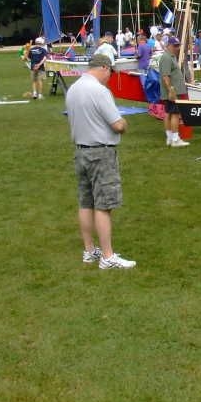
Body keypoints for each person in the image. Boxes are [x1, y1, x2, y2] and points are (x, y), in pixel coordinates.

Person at [65, 53, 135, 270]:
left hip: (81, 151)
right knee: (104, 205)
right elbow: (117, 124)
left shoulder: (74, 88)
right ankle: (107, 256)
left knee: (86, 202)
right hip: (101, 152)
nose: (110, 77)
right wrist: (124, 123)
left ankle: (89, 250)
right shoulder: (99, 90)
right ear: (104, 67)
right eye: (110, 72)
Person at [159, 36, 190, 147]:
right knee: (175, 114)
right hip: (173, 92)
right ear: (168, 46)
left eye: (178, 45)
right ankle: (175, 139)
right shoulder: (167, 58)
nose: (177, 48)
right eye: (175, 46)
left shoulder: (170, 57)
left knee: (168, 113)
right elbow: (165, 76)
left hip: (172, 91)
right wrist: (171, 89)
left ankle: (170, 138)